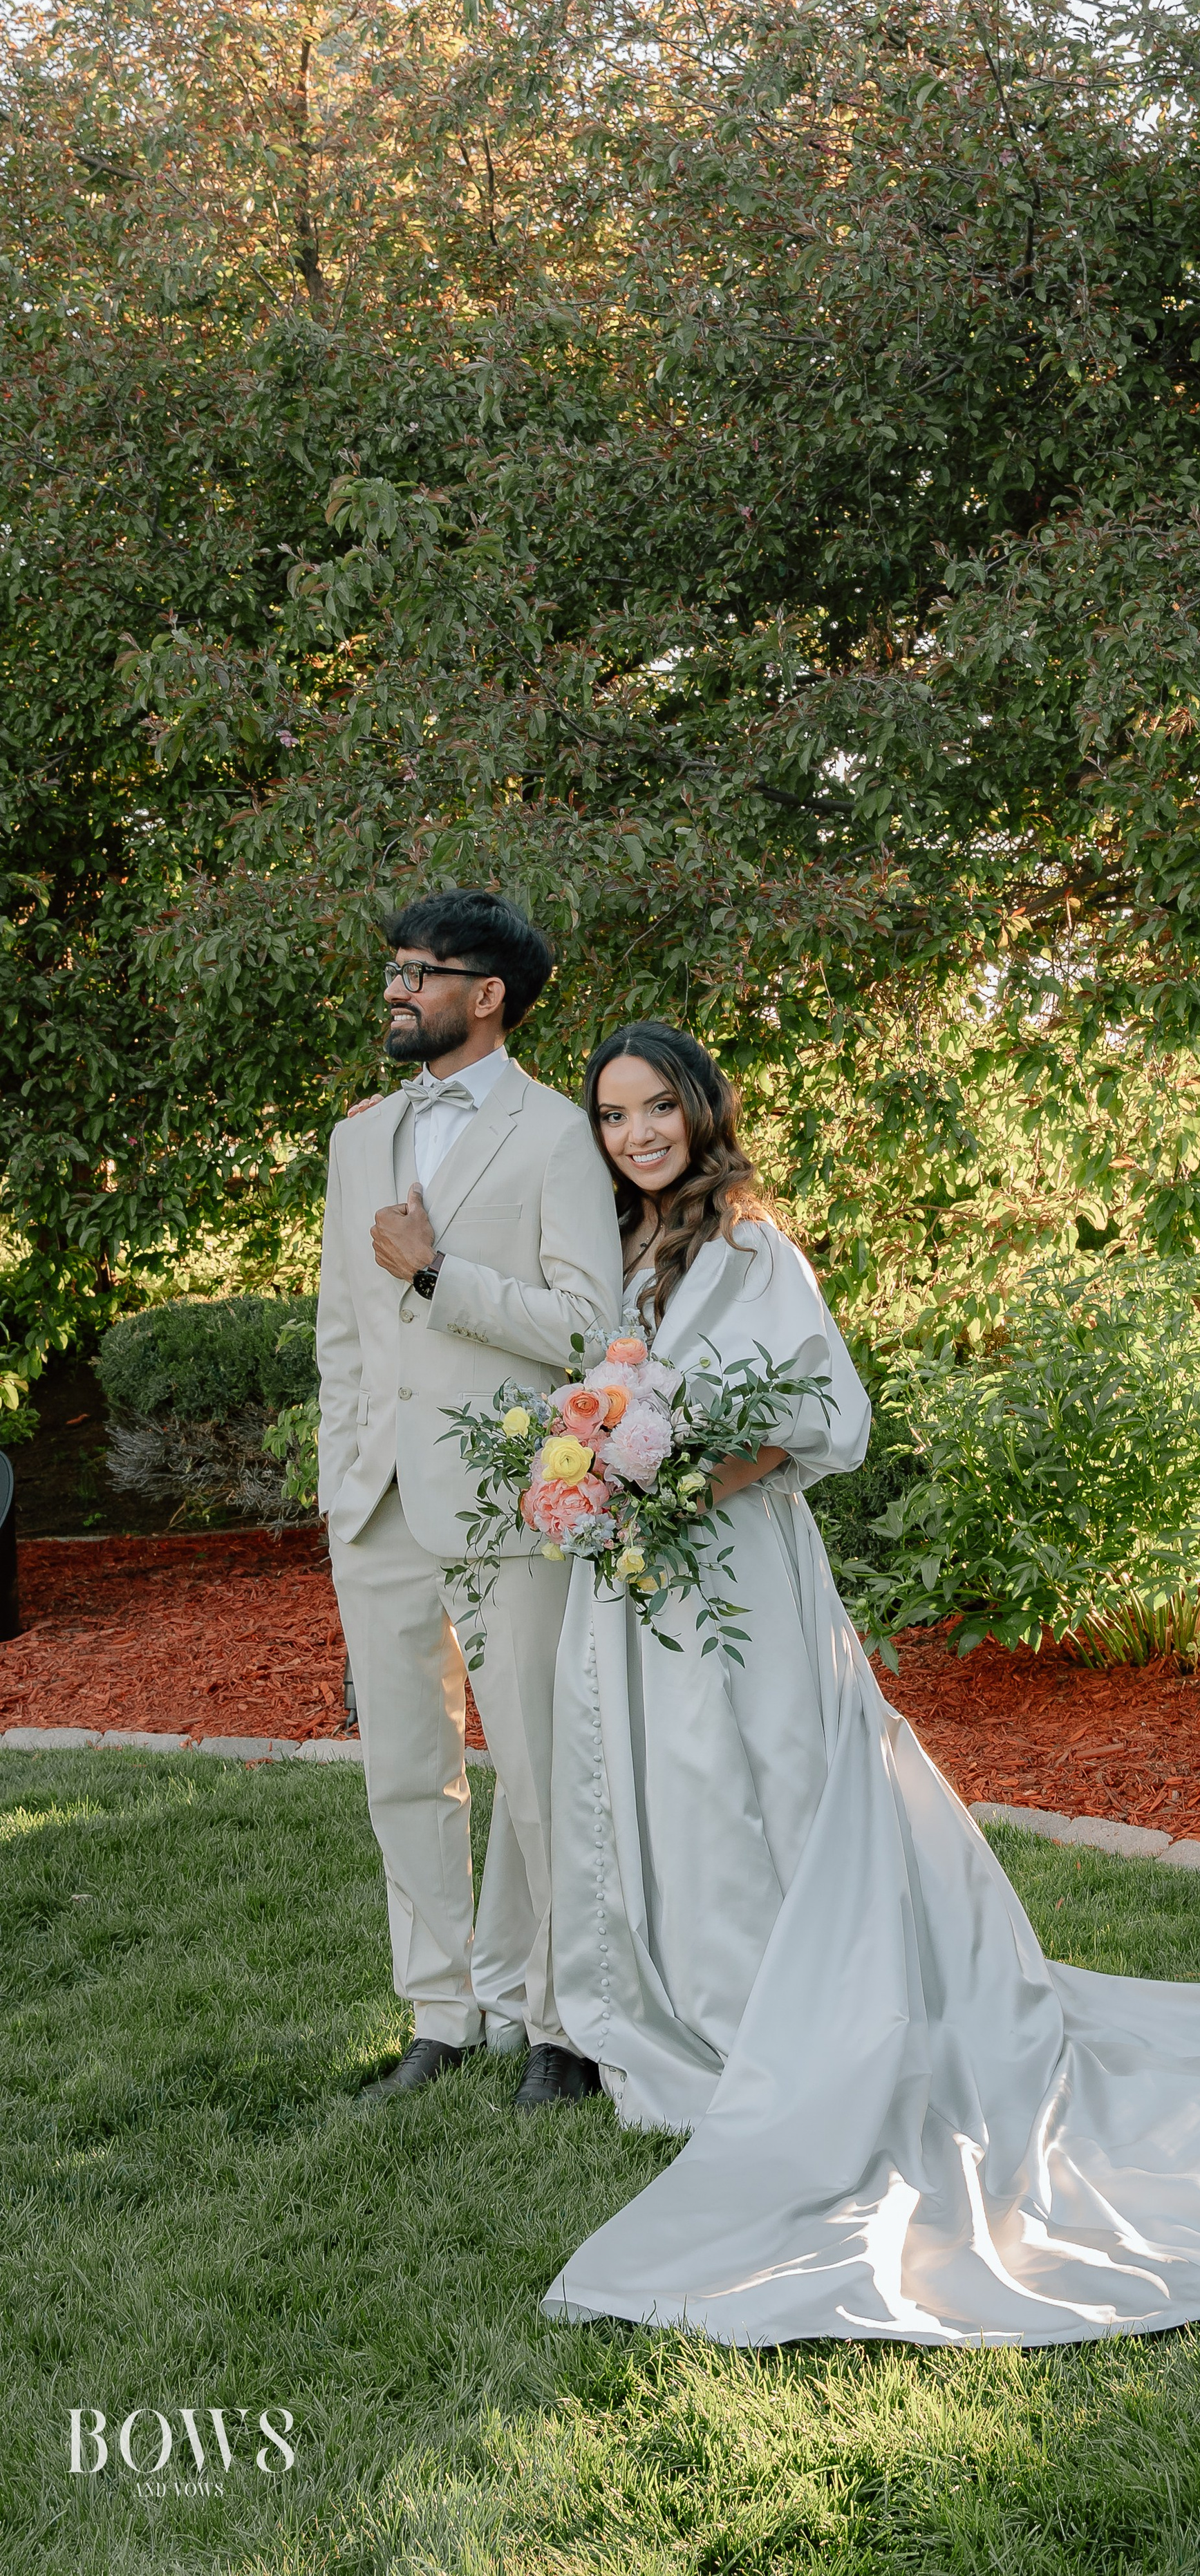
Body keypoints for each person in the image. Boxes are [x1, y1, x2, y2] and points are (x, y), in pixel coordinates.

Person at [542, 1022, 1200, 2344]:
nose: (637, 1135)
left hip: (737, 1563)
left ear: (701, 1108)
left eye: (655, 1109)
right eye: (614, 1117)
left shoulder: (747, 1246)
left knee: (773, 1779)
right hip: (651, 1571)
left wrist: (697, 1474)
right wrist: (599, 1463)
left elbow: (831, 1420)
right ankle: (706, 2026)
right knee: (681, 1786)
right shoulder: (631, 1253)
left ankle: (807, 2039)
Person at [317, 889, 623, 2107]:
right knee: (404, 1767)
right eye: (394, 964)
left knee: (538, 1774)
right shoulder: (358, 1140)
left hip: (505, 1496)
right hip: (377, 1502)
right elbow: (343, 1327)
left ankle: (559, 2020)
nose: (397, 986)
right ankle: (438, 2013)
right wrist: (346, 1475)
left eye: (419, 968)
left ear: (486, 994)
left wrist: (442, 1277)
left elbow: (591, 1327)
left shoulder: (556, 1134)